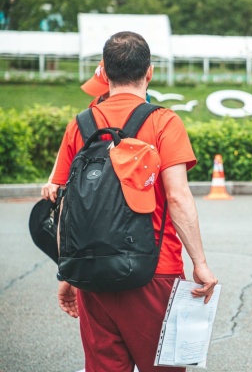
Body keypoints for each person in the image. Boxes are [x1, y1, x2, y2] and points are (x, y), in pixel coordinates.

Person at [52, 31, 218, 372]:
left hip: (91, 273)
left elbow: (67, 206)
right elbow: (177, 196)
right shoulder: (163, 121)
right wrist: (200, 263)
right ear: (150, 72)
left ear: (104, 71)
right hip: (154, 270)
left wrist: (68, 270)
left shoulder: (79, 126)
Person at [41, 60, 110, 203]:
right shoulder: (97, 103)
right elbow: (70, 141)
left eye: (105, 92)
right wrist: (53, 179)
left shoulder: (142, 111)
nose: (102, 96)